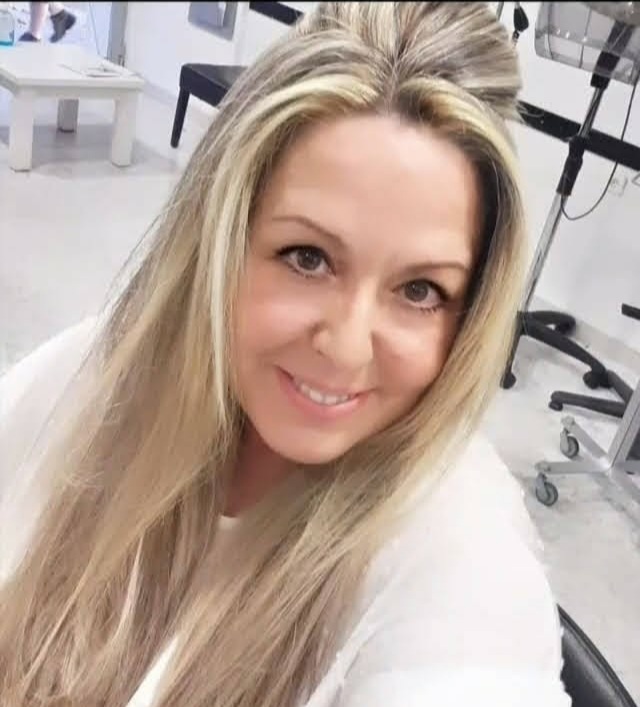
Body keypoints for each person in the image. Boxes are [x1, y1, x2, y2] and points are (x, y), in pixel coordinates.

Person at [0, 3, 571, 705]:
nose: (348, 346)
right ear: (219, 238)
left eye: (420, 290)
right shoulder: (98, 375)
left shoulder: (466, 578)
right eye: (308, 258)